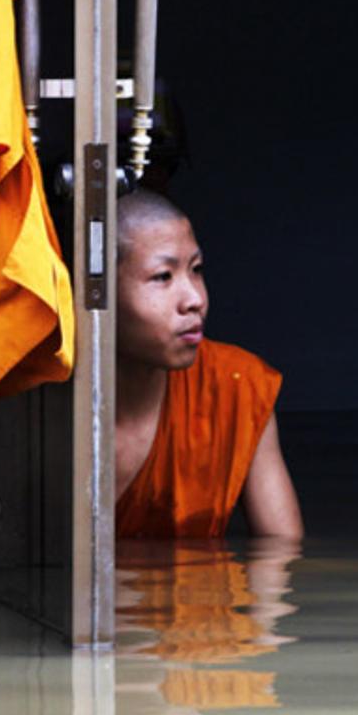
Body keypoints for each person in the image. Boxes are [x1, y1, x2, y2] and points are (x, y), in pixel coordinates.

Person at [114, 190, 303, 540]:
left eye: (196, 270)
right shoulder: (46, 400)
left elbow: (281, 560)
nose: (195, 300)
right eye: (162, 277)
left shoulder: (236, 387)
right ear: (99, 291)